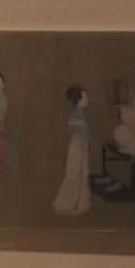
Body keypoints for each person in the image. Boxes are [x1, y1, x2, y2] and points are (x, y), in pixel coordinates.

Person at [52, 86, 92, 216]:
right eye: (85, 96)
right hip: (77, 146)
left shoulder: (79, 113)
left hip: (79, 145)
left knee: (80, 173)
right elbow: (82, 133)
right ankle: (69, 203)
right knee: (75, 172)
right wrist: (86, 136)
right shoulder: (77, 114)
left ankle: (78, 204)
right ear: (78, 99)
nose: (87, 99)